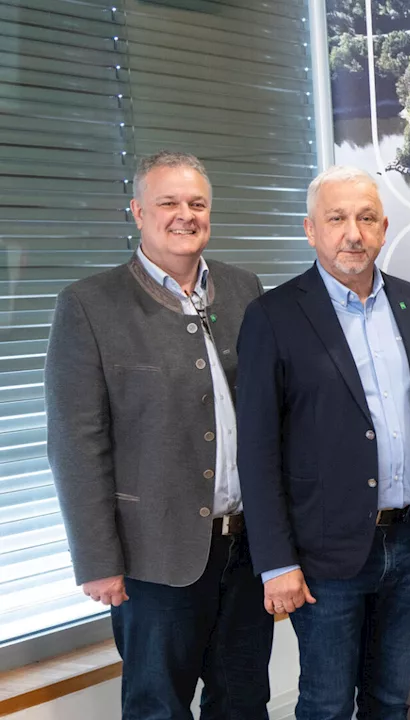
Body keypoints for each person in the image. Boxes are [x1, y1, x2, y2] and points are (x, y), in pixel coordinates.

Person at [46, 150, 271, 719]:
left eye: (197, 203)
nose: (184, 214)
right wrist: (97, 558)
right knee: (157, 708)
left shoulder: (247, 291)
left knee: (244, 701)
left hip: (245, 549)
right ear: (138, 212)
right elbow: (77, 443)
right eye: (167, 202)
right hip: (153, 558)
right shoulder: (90, 305)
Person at [236, 165, 410, 720]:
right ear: (311, 230)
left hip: (408, 545)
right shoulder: (273, 316)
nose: (352, 233)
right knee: (328, 705)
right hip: (323, 555)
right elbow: (256, 451)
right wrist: (276, 562)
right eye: (336, 219)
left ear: (383, 228)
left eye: (364, 219)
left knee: (389, 701)